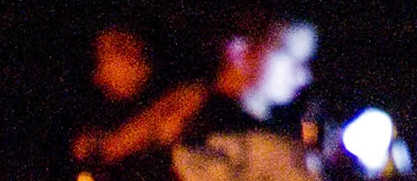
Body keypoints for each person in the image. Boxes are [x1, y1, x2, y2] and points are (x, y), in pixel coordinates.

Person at [98, 12, 319, 181]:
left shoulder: (291, 128)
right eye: (288, 53)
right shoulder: (194, 120)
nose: (304, 75)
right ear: (239, 51)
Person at [71, 27, 160, 176]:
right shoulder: (94, 129)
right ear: (99, 75)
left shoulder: (178, 89)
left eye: (130, 41)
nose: (133, 49)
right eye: (118, 47)